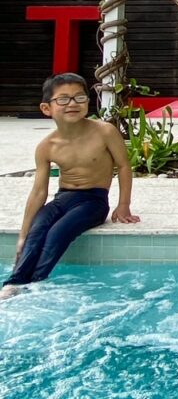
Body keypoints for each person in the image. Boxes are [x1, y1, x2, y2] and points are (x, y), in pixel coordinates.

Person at [0, 73, 140, 299]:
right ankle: (14, 283)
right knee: (37, 231)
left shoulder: (104, 132)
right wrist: (22, 235)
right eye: (63, 99)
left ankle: (35, 282)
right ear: (47, 108)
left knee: (58, 232)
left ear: (87, 101)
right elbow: (39, 192)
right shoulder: (47, 146)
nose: (72, 103)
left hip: (93, 201)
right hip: (62, 199)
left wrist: (123, 204)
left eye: (79, 97)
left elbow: (124, 166)